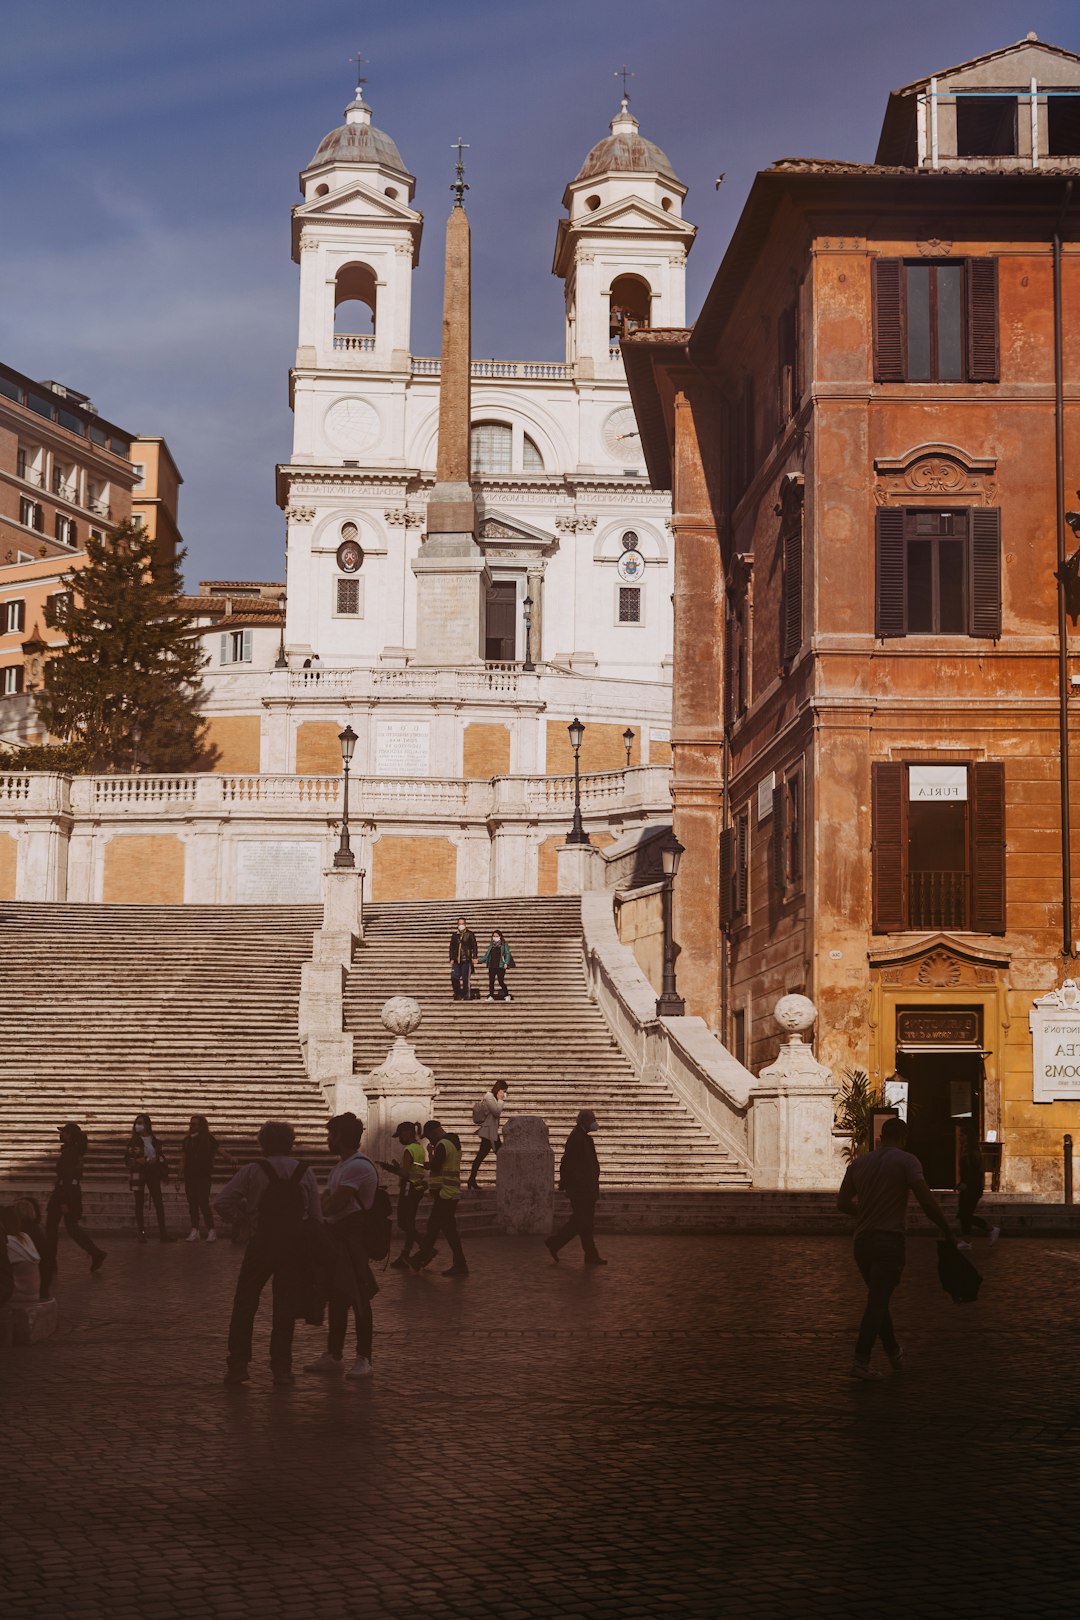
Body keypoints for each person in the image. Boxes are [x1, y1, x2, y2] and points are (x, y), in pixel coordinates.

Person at [837, 1115, 957, 1381]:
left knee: (878, 1300)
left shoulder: (859, 1163)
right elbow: (926, 1200)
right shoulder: (907, 1161)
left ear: (881, 1138)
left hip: (862, 1242)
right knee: (878, 1300)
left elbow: (843, 1203)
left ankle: (893, 1353)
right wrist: (946, 1229)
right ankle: (860, 1360)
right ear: (903, 1138)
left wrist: (866, 1211)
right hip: (888, 1241)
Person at [215, 1120, 321, 1386]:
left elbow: (222, 1202)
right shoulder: (304, 1171)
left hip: (261, 1242)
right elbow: (316, 1217)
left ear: (262, 1143)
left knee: (245, 1303)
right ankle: (281, 1367)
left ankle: (238, 1364)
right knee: (285, 1307)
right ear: (290, 1143)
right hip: (293, 1246)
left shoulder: (253, 1170)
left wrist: (243, 1219)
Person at [306, 1113, 378, 1380]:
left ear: (341, 1136)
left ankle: (364, 1357)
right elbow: (327, 1199)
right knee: (338, 1296)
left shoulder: (356, 1166)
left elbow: (334, 1203)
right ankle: (334, 1354)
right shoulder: (342, 1166)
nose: (328, 1140)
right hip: (338, 1236)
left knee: (359, 1296)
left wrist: (323, 1208)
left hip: (352, 1238)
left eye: (331, 1135)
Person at [41, 1123, 106, 1296]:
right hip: (69, 1192)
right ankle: (95, 1253)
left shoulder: (70, 1153)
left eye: (64, 1132)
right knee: (69, 1227)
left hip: (65, 1193)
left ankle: (50, 1261)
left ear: (70, 1135)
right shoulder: (74, 1151)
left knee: (53, 1228)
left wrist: (63, 1201)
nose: (61, 1135)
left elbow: (67, 1177)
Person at [546, 1108, 607, 1266]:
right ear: (585, 1121)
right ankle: (591, 1255)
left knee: (580, 1222)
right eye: (593, 1119)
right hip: (581, 1190)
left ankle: (555, 1243)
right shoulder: (576, 1138)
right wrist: (566, 1183)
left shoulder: (584, 1138)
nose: (595, 1122)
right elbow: (567, 1163)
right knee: (584, 1223)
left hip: (586, 1189)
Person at [409, 1120, 468, 1276]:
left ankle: (460, 1265)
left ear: (435, 1132)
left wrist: (429, 1153)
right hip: (450, 1191)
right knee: (435, 1228)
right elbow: (442, 1165)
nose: (430, 1141)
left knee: (446, 1230)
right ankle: (420, 1258)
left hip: (445, 1193)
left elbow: (436, 1166)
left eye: (429, 1137)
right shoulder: (453, 1143)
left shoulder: (442, 1144)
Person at [379, 1121, 427, 1270]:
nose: (399, 1139)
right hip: (417, 1187)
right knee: (410, 1222)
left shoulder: (408, 1149)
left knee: (403, 1223)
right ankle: (405, 1255)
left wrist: (389, 1168)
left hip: (408, 1188)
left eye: (400, 1135)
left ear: (406, 1133)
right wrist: (397, 1167)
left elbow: (405, 1173)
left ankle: (426, 1247)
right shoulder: (419, 1148)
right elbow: (415, 1168)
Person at [179, 1115, 230, 1242]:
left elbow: (219, 1150)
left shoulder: (208, 1139)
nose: (191, 1126)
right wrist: (179, 1175)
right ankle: (195, 1229)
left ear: (201, 1126)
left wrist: (229, 1157)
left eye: (194, 1124)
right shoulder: (187, 1140)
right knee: (192, 1204)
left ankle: (211, 1230)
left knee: (203, 1202)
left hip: (203, 1176)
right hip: (189, 1176)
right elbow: (183, 1158)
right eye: (190, 1124)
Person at [123, 1113, 171, 1242]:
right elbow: (127, 1161)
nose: (138, 1125)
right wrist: (138, 1161)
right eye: (137, 1123)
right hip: (138, 1173)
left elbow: (161, 1157)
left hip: (153, 1172)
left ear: (147, 1125)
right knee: (139, 1203)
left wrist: (156, 1160)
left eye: (141, 1123)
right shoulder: (132, 1142)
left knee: (158, 1202)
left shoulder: (154, 1141)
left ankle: (163, 1233)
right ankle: (142, 1233)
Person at [956, 1124, 1000, 1249]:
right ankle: (967, 1241)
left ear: (968, 1137)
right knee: (963, 1214)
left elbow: (974, 1172)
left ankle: (990, 1229)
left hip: (972, 1188)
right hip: (968, 1187)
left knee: (965, 1214)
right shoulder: (966, 1151)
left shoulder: (972, 1152)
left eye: (962, 1136)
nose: (960, 1138)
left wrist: (965, 1183)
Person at [467, 1082, 508, 1190]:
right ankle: (506, 1180)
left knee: (483, 1156)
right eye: (504, 1091)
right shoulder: (489, 1097)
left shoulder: (492, 1098)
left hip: (492, 1132)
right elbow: (496, 1112)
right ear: (499, 1090)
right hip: (488, 1133)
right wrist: (501, 1100)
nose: (504, 1094)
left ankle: (471, 1179)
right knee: (502, 1156)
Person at [449, 917, 478, 1001]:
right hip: (456, 960)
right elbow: (452, 947)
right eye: (459, 924)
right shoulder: (454, 935)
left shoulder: (470, 934)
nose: (461, 925)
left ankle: (466, 996)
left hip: (466, 960)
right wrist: (451, 958)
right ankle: (457, 994)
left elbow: (474, 946)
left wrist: (474, 956)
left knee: (465, 979)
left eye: (462, 924)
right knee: (454, 977)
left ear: (465, 924)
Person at [481, 931, 515, 1001]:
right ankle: (491, 996)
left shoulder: (504, 944)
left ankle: (506, 995)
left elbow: (507, 953)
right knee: (491, 981)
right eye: (494, 936)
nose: (495, 938)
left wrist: (506, 963)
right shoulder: (491, 945)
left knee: (500, 981)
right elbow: (486, 955)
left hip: (500, 966)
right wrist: (479, 961)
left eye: (496, 936)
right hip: (492, 965)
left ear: (500, 936)